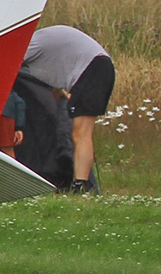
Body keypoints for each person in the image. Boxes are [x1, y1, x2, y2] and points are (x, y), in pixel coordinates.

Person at [20, 25, 113, 193]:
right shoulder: (45, 41)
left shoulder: (31, 44)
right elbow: (58, 73)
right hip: (96, 67)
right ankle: (80, 183)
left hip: (93, 70)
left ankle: (81, 185)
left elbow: (9, 65)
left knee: (81, 133)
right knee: (80, 132)